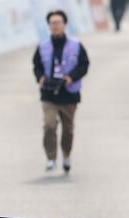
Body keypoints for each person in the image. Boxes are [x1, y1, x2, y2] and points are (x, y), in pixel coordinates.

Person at [33, 10, 89, 174]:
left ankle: (66, 154)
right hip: (49, 93)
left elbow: (84, 65)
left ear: (64, 24)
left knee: (68, 129)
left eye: (58, 22)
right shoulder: (43, 46)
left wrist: (71, 77)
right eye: (52, 23)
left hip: (69, 93)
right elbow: (36, 65)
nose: (55, 26)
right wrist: (40, 77)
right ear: (48, 25)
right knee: (49, 125)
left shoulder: (76, 45)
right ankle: (51, 157)